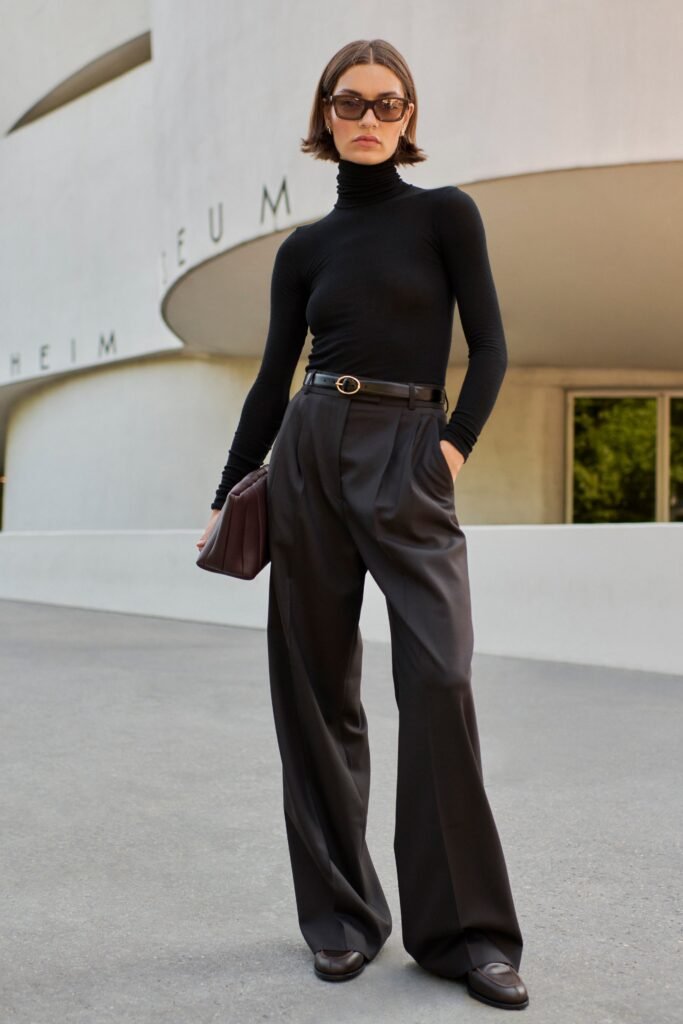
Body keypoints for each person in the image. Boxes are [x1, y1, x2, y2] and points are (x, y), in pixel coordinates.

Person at [197, 38, 529, 1012]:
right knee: (313, 689)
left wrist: (451, 449)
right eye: (351, 103)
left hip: (410, 448)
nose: (370, 117)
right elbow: (270, 376)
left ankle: (463, 934)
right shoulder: (303, 249)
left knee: (439, 674)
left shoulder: (445, 216)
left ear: (409, 118)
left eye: (389, 103)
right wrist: (230, 487)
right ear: (325, 117)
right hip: (307, 447)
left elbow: (493, 344)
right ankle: (341, 918)